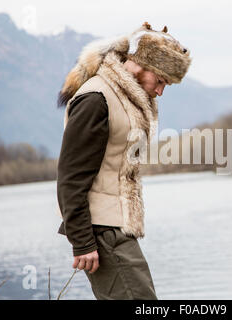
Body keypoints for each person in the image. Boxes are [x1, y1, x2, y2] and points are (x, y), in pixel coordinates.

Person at [55, 22, 191, 300]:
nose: (161, 92)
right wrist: (82, 242)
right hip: (101, 233)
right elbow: (70, 176)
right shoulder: (96, 98)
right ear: (143, 65)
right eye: (161, 81)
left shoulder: (125, 96)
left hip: (118, 229)